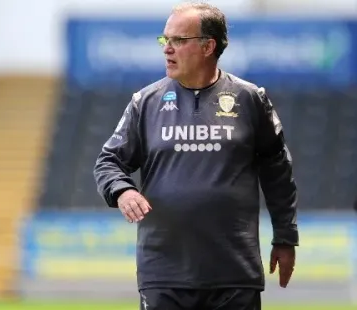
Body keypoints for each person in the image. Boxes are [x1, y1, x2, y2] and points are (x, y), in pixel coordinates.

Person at [93, 3, 298, 310]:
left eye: (178, 40)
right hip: (164, 273)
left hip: (233, 273)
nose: (167, 49)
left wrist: (285, 236)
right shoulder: (145, 103)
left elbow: (278, 171)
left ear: (208, 46)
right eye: (165, 40)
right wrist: (122, 190)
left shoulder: (250, 99)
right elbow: (108, 161)